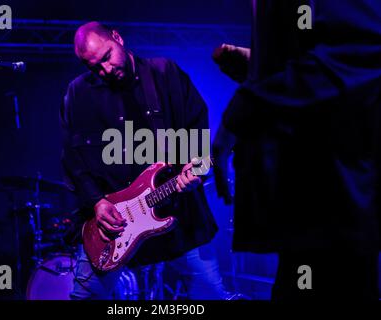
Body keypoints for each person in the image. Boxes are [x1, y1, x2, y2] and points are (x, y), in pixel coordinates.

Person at [212, 0, 381, 300]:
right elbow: (328, 55)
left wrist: (243, 110)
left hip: (333, 199)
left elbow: (359, 52)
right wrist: (261, 67)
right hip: (307, 206)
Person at [60, 21, 229, 300]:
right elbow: (71, 158)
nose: (105, 69)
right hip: (113, 227)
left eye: (106, 56)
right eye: (94, 67)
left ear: (117, 37)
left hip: (178, 213)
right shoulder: (78, 93)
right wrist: (97, 202)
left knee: (210, 293)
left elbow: (197, 125)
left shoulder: (164, 74)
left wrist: (194, 166)